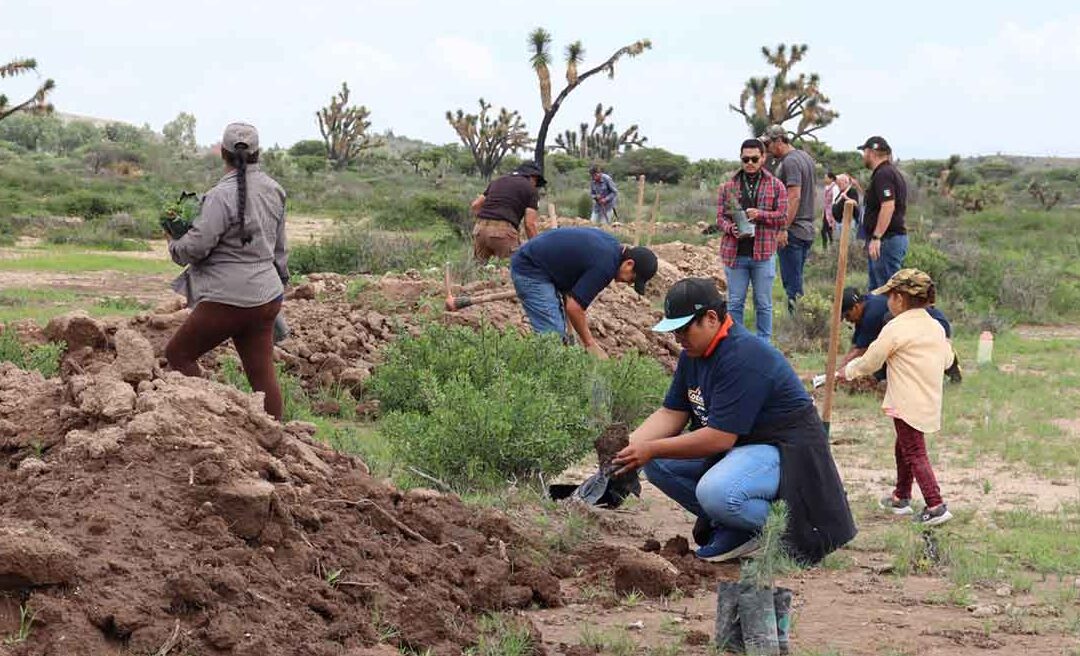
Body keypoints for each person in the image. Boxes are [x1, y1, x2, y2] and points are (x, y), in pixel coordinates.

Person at [612, 278, 856, 563]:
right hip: (742, 451)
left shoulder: (743, 356)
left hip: (787, 454)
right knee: (656, 464)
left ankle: (793, 529)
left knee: (716, 491)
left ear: (711, 319)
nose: (677, 337)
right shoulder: (694, 354)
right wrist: (625, 453)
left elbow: (719, 438)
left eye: (683, 329)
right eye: (673, 330)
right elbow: (671, 413)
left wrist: (651, 448)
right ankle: (736, 526)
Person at [165, 123, 288, 420]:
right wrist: (279, 287)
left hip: (228, 298)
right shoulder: (275, 190)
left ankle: (214, 421)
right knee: (261, 377)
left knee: (178, 355)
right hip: (268, 295)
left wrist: (173, 243)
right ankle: (276, 437)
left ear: (223, 153)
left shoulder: (219, 195)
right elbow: (280, 249)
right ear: (258, 154)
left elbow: (196, 247)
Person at [840, 269, 954, 526]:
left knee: (914, 450)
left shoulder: (896, 327)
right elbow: (948, 358)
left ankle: (935, 505)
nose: (886, 302)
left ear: (900, 299)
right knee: (904, 445)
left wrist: (847, 371)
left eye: (890, 296)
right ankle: (901, 497)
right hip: (929, 397)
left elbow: (871, 360)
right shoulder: (935, 326)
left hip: (906, 400)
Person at [510, 227, 657, 358]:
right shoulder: (605, 266)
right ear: (629, 264)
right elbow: (574, 308)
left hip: (541, 265)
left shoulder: (612, 249)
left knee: (564, 340)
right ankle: (543, 383)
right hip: (530, 268)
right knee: (552, 340)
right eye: (632, 278)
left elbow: (571, 295)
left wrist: (571, 332)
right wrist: (590, 344)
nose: (629, 283)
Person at [717, 138, 788, 341]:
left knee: (763, 303)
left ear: (763, 158)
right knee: (735, 302)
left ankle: (764, 344)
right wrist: (731, 229)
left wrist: (761, 214)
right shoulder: (728, 186)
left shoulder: (776, 186)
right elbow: (720, 218)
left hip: (763, 254)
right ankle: (736, 343)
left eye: (754, 159)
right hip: (735, 254)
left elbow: (783, 217)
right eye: (745, 159)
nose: (749, 163)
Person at [840, 287, 962, 383]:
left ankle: (951, 363)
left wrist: (840, 372)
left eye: (847, 316)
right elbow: (856, 346)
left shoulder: (871, 315)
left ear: (856, 307)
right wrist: (842, 366)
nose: (848, 320)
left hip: (935, 324)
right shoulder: (864, 310)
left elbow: (862, 351)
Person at [761, 125, 816, 314]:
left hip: (793, 231)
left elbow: (794, 196)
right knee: (796, 280)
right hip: (806, 228)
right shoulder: (805, 158)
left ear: (779, 141)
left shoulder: (790, 161)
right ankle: (803, 320)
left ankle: (798, 325)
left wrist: (784, 227)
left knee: (792, 284)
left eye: (768, 143)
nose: (767, 148)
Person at [859, 136, 909, 290]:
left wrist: (876, 237)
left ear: (872, 152)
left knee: (887, 292)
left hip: (887, 241)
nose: (863, 156)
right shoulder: (886, 172)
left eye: (865, 152)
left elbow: (888, 205)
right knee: (877, 292)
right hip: (887, 240)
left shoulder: (884, 174)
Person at [469, 162, 545, 261]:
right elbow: (529, 224)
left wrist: (485, 225)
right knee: (513, 269)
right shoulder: (531, 189)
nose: (536, 185)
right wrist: (538, 248)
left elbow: (475, 205)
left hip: (479, 230)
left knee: (480, 271)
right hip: (503, 232)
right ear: (533, 177)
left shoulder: (498, 181)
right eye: (537, 182)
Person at [821, 171, 838, 250]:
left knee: (828, 230)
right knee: (824, 231)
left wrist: (833, 214)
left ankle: (831, 247)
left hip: (831, 213)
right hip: (826, 212)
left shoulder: (834, 188)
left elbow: (834, 201)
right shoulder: (826, 187)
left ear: (831, 178)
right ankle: (826, 247)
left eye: (826, 178)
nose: (825, 179)